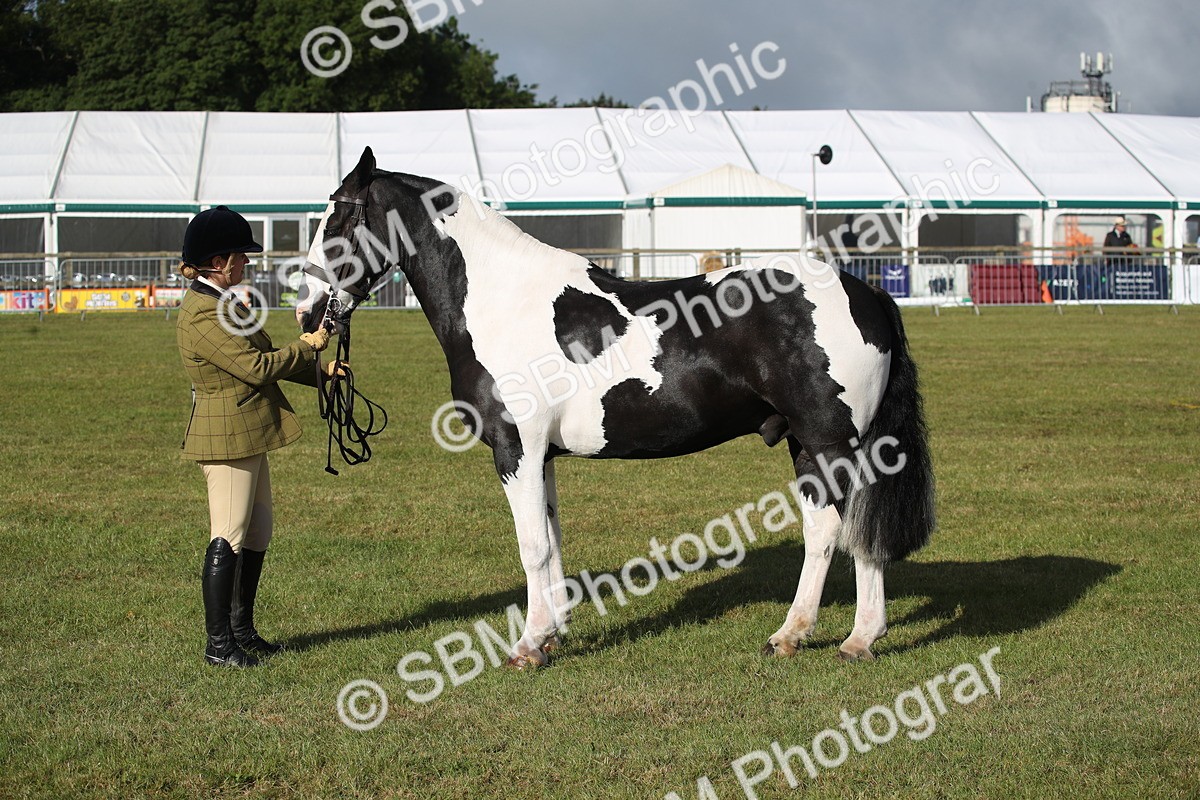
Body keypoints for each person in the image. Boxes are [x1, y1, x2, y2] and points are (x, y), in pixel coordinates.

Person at [176, 206, 341, 668]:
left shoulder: (227, 302)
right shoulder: (202, 315)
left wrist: (323, 373)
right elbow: (255, 368)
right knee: (227, 535)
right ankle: (218, 644)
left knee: (258, 531)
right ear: (220, 261)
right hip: (226, 433)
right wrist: (308, 345)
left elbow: (269, 354)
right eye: (241, 258)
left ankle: (242, 630)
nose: (246, 264)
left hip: (249, 430)